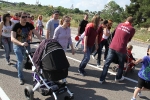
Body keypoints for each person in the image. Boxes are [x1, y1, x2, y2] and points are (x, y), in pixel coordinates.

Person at [99, 16, 135, 84]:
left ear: (126, 20)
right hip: (121, 48)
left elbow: (114, 34)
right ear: (132, 22)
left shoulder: (119, 24)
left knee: (107, 63)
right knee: (121, 64)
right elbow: (129, 39)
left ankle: (101, 79)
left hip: (112, 46)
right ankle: (118, 77)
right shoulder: (132, 29)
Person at [11, 12, 42, 85]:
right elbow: (12, 38)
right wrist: (21, 43)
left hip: (27, 45)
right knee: (21, 61)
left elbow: (36, 33)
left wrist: (42, 40)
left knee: (24, 60)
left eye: (27, 17)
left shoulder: (29, 25)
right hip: (18, 45)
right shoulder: (16, 26)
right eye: (23, 17)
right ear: (19, 18)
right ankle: (20, 77)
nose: (25, 18)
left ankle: (17, 65)